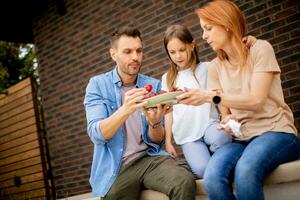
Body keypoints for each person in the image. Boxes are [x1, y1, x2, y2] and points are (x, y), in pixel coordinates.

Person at [177, 0, 300, 199]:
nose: (204, 36)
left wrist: (210, 96)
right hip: (242, 138)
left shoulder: (260, 49)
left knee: (246, 171)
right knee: (212, 178)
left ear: (226, 24)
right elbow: (227, 113)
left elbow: (256, 100)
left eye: (208, 28)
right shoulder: (215, 67)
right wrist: (228, 120)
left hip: (277, 132)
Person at [83, 26, 196, 200]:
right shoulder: (97, 85)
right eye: (127, 52)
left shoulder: (152, 84)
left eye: (139, 51)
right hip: (118, 166)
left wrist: (155, 123)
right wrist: (125, 109)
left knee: (184, 181)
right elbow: (97, 134)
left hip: (150, 158)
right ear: (113, 54)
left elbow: (156, 140)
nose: (135, 57)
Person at [162, 24, 232, 179]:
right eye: (172, 52)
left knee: (222, 138)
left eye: (181, 50)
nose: (178, 56)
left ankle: (219, 163)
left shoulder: (207, 68)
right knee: (203, 171)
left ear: (192, 45)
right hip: (188, 136)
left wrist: (225, 115)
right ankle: (205, 164)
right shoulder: (167, 79)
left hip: (209, 124)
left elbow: (218, 94)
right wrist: (168, 141)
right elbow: (168, 111)